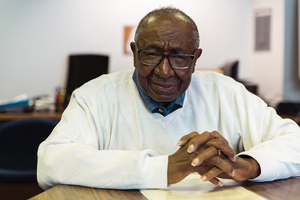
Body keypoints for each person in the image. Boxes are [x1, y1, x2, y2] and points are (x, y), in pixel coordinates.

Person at [37, 7, 300, 190]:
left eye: (179, 58)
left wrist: (250, 165)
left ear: (196, 59)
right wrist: (164, 168)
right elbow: (52, 163)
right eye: (151, 54)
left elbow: (294, 142)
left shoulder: (226, 92)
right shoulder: (94, 96)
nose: (165, 71)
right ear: (134, 53)